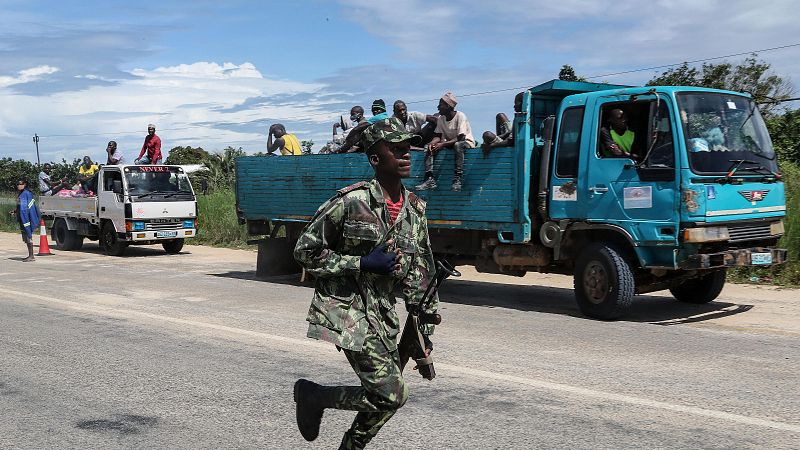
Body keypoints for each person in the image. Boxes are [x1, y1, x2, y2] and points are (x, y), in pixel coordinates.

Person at [293, 117, 438, 449]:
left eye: (408, 148)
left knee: (387, 394)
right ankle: (316, 398)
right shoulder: (350, 202)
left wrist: (424, 331)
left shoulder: (415, 211)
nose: (406, 154)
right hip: (347, 313)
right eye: (396, 148)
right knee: (393, 393)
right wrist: (360, 262)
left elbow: (422, 274)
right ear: (375, 158)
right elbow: (305, 251)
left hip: (384, 317)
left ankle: (339, 429)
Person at [415, 91, 475, 192]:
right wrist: (432, 143)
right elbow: (437, 136)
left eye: (440, 105)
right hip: (450, 143)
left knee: (457, 145)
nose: (438, 107)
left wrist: (442, 144)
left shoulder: (460, 116)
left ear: (448, 106)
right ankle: (430, 179)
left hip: (465, 143)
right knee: (429, 147)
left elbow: (461, 138)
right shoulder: (441, 119)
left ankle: (458, 178)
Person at [11, 179, 40, 262]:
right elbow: (20, 206)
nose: (19, 186)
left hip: (27, 219)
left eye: (21, 184)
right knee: (26, 236)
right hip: (22, 219)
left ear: (25, 184)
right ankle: (30, 255)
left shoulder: (27, 194)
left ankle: (31, 256)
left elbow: (30, 207)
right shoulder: (21, 194)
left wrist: (29, 217)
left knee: (28, 236)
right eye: (18, 184)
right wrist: (15, 211)